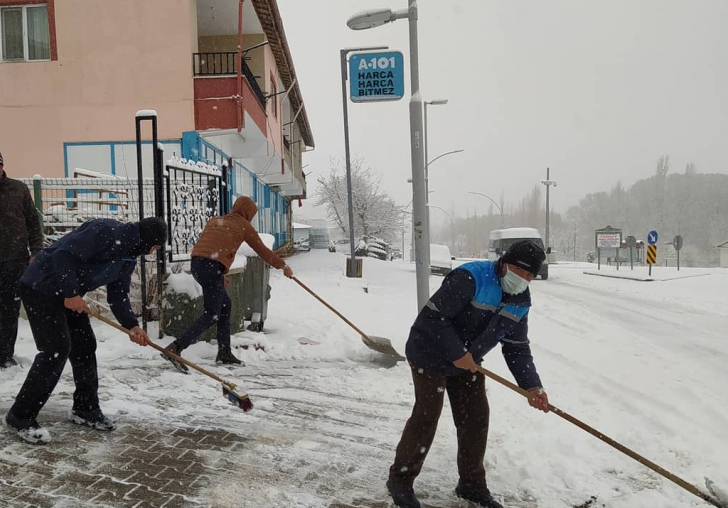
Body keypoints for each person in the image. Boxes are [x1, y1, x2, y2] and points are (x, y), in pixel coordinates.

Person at [387, 240, 551, 508]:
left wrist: (533, 386)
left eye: (530, 276)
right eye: (519, 272)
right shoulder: (470, 278)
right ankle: (400, 481)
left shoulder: (521, 300)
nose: (522, 279)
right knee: (427, 415)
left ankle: (471, 485)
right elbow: (433, 318)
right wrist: (456, 352)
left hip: (468, 362)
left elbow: (517, 347)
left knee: (476, 418)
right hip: (428, 353)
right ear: (504, 263)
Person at [3, 217, 167, 445]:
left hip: (69, 293)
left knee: (85, 346)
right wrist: (70, 293)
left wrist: (132, 325)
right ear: (147, 239)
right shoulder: (107, 231)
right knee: (56, 350)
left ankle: (85, 408)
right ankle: (20, 416)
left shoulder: (128, 256)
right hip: (41, 286)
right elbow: (63, 255)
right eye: (155, 246)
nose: (152, 252)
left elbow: (118, 295)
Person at [162, 196, 293, 373]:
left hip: (198, 265)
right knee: (211, 314)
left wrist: (219, 272)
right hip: (211, 266)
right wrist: (282, 265)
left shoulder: (216, 220)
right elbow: (262, 251)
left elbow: (213, 246)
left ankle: (224, 351)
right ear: (248, 213)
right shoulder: (243, 225)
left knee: (225, 305)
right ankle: (176, 348)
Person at [0, 151, 43, 368]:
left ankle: (5, 355)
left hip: (14, 261)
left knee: (10, 310)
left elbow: (33, 223)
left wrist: (36, 251)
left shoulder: (18, 189)